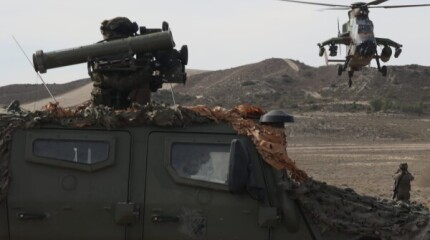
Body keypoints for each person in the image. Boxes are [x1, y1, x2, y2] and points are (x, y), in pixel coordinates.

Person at [89, 17, 154, 109]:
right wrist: (146, 72)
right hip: (107, 107)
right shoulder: (104, 59)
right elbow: (122, 83)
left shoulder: (124, 58)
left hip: (120, 103)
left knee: (142, 86)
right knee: (141, 85)